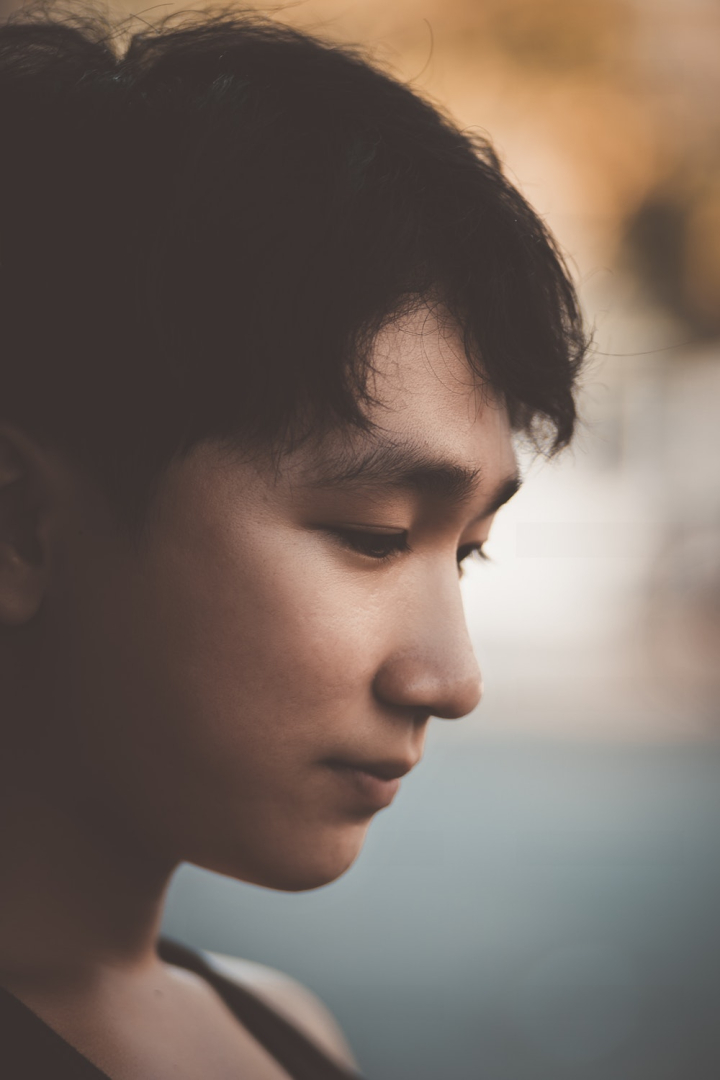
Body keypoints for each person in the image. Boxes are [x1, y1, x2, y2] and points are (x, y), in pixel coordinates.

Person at [0, 5, 587, 1078]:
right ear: (20, 525)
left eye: (466, 553)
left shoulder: (283, 1033)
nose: (451, 681)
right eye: (373, 536)